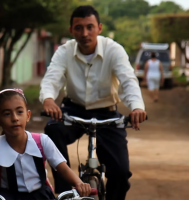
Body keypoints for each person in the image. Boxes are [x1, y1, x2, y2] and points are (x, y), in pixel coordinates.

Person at [39, 5, 147, 200]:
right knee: (53, 129)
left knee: (121, 173)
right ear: (71, 30)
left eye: (90, 27)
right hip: (73, 109)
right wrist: (48, 99)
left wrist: (137, 107)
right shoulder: (65, 51)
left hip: (107, 113)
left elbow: (128, 81)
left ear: (99, 28)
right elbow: (52, 78)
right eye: (78, 28)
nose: (85, 33)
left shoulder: (114, 50)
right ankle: (65, 191)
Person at [0, 89, 92, 200]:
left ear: (28, 116)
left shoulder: (42, 141)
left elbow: (63, 168)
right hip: (8, 197)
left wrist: (79, 184)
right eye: (7, 114)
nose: (15, 118)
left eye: (19, 112)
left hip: (41, 196)